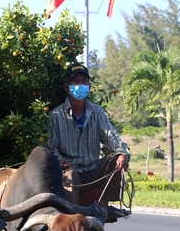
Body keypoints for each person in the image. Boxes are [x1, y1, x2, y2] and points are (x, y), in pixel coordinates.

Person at [47, 63, 130, 221]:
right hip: (71, 169)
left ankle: (104, 209)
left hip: (92, 168)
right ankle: (73, 216)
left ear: (89, 86)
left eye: (83, 81)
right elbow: (51, 148)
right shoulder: (56, 116)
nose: (80, 85)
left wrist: (121, 153)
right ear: (67, 87)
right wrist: (59, 161)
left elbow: (111, 135)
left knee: (117, 159)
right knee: (69, 176)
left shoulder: (97, 112)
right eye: (75, 81)